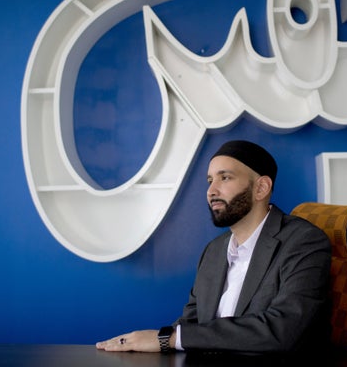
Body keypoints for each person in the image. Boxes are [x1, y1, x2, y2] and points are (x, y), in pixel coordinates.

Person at [96, 140, 332, 353]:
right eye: (210, 180)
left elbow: (282, 331)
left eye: (225, 178)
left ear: (261, 188)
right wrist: (146, 341)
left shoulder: (303, 242)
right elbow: (191, 325)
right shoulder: (213, 251)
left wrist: (166, 339)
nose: (211, 191)